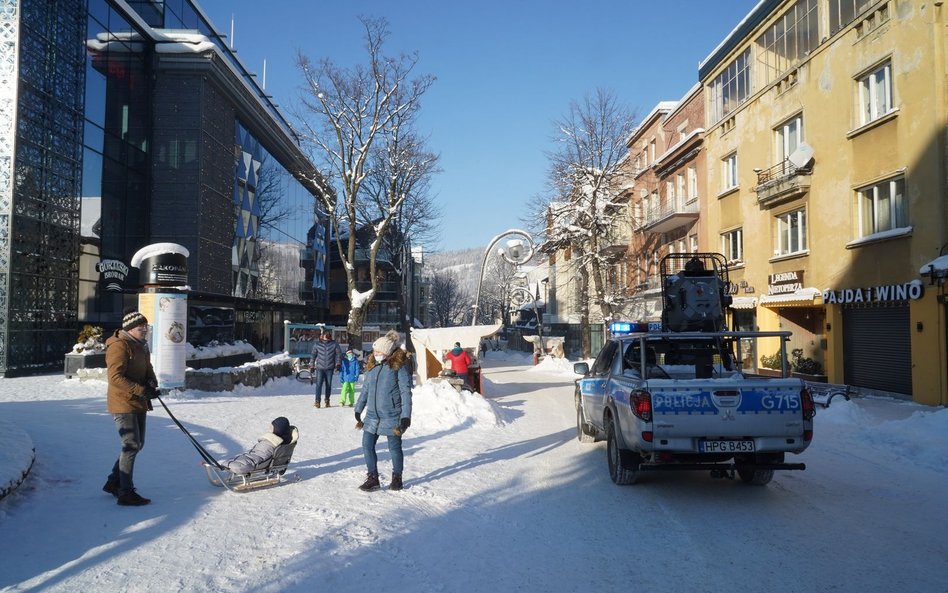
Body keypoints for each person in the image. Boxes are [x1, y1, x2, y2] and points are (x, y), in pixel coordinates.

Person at [102, 309, 159, 507]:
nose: (145, 329)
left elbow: (147, 367)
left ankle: (113, 482)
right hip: (122, 401)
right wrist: (141, 389)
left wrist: (151, 381)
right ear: (130, 329)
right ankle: (125, 492)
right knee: (131, 445)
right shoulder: (119, 346)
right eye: (140, 327)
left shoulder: (140, 345)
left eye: (145, 326)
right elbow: (115, 377)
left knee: (138, 444)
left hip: (138, 400)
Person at [354, 330, 412, 492]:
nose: (375, 354)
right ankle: (373, 478)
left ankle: (397, 477)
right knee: (367, 445)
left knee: (394, 447)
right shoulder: (372, 367)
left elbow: (405, 392)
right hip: (372, 415)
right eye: (375, 351)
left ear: (387, 352)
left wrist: (405, 416)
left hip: (392, 415)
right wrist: (359, 409)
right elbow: (365, 390)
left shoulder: (398, 367)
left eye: (379, 351)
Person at [224, 417, 294, 474]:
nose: (270, 429)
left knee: (243, 463)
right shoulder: (271, 439)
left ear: (278, 429)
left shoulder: (277, 443)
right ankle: (234, 463)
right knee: (245, 457)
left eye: (272, 427)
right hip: (255, 454)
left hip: (259, 460)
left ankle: (237, 465)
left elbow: (263, 455)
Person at [309, 329, 341, 408]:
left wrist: (338, 363)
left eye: (328, 335)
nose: (326, 337)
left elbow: (338, 354)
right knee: (318, 384)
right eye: (325, 335)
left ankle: (327, 400)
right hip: (320, 368)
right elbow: (313, 355)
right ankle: (317, 401)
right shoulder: (317, 344)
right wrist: (312, 365)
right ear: (322, 336)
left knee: (328, 385)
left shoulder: (334, 344)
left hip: (329, 367)